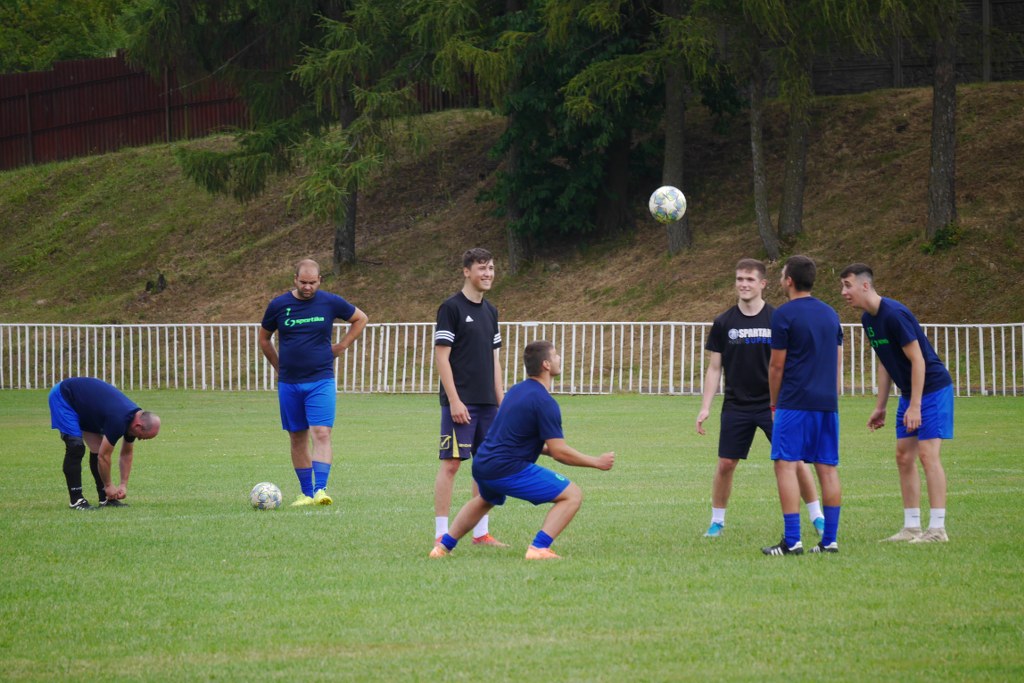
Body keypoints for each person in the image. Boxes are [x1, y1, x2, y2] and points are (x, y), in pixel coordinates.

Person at [429, 340, 615, 560]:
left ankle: (442, 547)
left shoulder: (516, 391)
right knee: (572, 495)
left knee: (485, 499)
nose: (559, 359)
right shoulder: (544, 402)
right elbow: (559, 452)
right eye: (555, 355)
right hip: (505, 468)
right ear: (546, 364)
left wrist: (547, 449)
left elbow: (517, 438)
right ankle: (539, 548)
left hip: (483, 464)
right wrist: (596, 462)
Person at [696, 258, 824, 538]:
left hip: (775, 405)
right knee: (726, 464)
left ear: (763, 284)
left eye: (750, 279)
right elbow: (715, 368)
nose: (743, 284)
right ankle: (717, 522)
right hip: (736, 405)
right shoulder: (724, 322)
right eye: (739, 279)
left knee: (795, 461)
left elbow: (789, 364)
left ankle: (817, 516)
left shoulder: (778, 318)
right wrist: (705, 407)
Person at [840, 263, 953, 543]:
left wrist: (915, 405)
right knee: (903, 456)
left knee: (927, 455)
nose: (843, 292)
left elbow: (918, 360)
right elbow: (885, 360)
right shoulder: (868, 320)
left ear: (865, 285)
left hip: (932, 389)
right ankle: (912, 527)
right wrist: (881, 406)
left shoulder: (894, 314)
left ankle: (937, 529)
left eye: (847, 285)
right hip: (909, 393)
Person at [259, 258, 368, 507]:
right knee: (297, 437)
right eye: (303, 282)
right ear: (295, 280)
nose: (307, 287)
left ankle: (320, 490)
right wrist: (278, 366)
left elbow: (361, 318)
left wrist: (342, 345)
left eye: (312, 282)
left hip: (321, 380)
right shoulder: (279, 305)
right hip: (290, 383)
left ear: (320, 280)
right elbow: (264, 338)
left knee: (321, 432)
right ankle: (306, 493)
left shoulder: (330, 302)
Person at [763, 255, 844, 555]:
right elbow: (837, 360)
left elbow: (776, 366)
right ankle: (830, 540)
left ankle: (792, 540)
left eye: (782, 275)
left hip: (794, 402)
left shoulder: (784, 315)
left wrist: (774, 404)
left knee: (785, 465)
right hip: (826, 403)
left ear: (789, 281)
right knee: (828, 469)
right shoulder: (831, 314)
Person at [433, 247, 507, 546]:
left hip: (489, 404)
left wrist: (502, 402)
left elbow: (495, 361)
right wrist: (454, 400)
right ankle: (441, 533)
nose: (488, 274)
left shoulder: (491, 311)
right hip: (461, 402)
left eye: (491, 268)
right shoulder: (450, 308)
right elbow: (442, 357)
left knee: (485, 466)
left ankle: (480, 533)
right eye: (482, 268)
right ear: (467, 271)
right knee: (451, 464)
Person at [48, 377, 161, 510]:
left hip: (85, 406)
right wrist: (109, 485)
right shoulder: (120, 419)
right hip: (64, 396)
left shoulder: (134, 419)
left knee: (97, 448)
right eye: (142, 437)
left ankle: (106, 498)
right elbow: (104, 457)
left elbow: (126, 454)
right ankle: (76, 500)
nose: (140, 439)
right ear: (138, 426)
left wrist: (123, 485)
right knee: (76, 446)